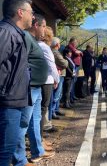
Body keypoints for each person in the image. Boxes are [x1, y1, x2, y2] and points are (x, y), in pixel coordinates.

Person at [13, 14, 55, 165]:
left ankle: (38, 151)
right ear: (36, 25)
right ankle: (19, 159)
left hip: (36, 87)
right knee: (23, 123)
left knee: (35, 121)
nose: (45, 30)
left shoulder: (34, 40)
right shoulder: (25, 37)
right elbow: (20, 62)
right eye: (43, 26)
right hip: (29, 88)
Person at [0, 0, 31, 166]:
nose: (32, 17)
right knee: (4, 152)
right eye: (31, 13)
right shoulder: (6, 32)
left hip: (13, 101)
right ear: (20, 12)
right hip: (7, 102)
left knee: (7, 149)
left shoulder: (15, 33)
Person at [38, 26, 59, 135]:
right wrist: (57, 79)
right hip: (47, 80)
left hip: (37, 80)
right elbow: (52, 65)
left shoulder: (36, 45)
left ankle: (38, 134)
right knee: (43, 108)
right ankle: (40, 136)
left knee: (38, 109)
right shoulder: (45, 48)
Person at [51, 37, 68, 118]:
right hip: (59, 75)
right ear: (57, 44)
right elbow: (64, 63)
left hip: (60, 74)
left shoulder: (55, 52)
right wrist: (66, 60)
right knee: (56, 94)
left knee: (59, 94)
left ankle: (56, 109)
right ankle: (53, 111)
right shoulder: (55, 53)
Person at [66, 37, 83, 102]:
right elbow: (76, 52)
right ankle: (71, 98)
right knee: (72, 82)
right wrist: (79, 52)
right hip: (73, 66)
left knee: (74, 81)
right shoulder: (70, 46)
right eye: (75, 42)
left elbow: (81, 54)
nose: (76, 43)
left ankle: (72, 96)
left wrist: (79, 52)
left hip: (76, 66)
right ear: (72, 42)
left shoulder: (73, 47)